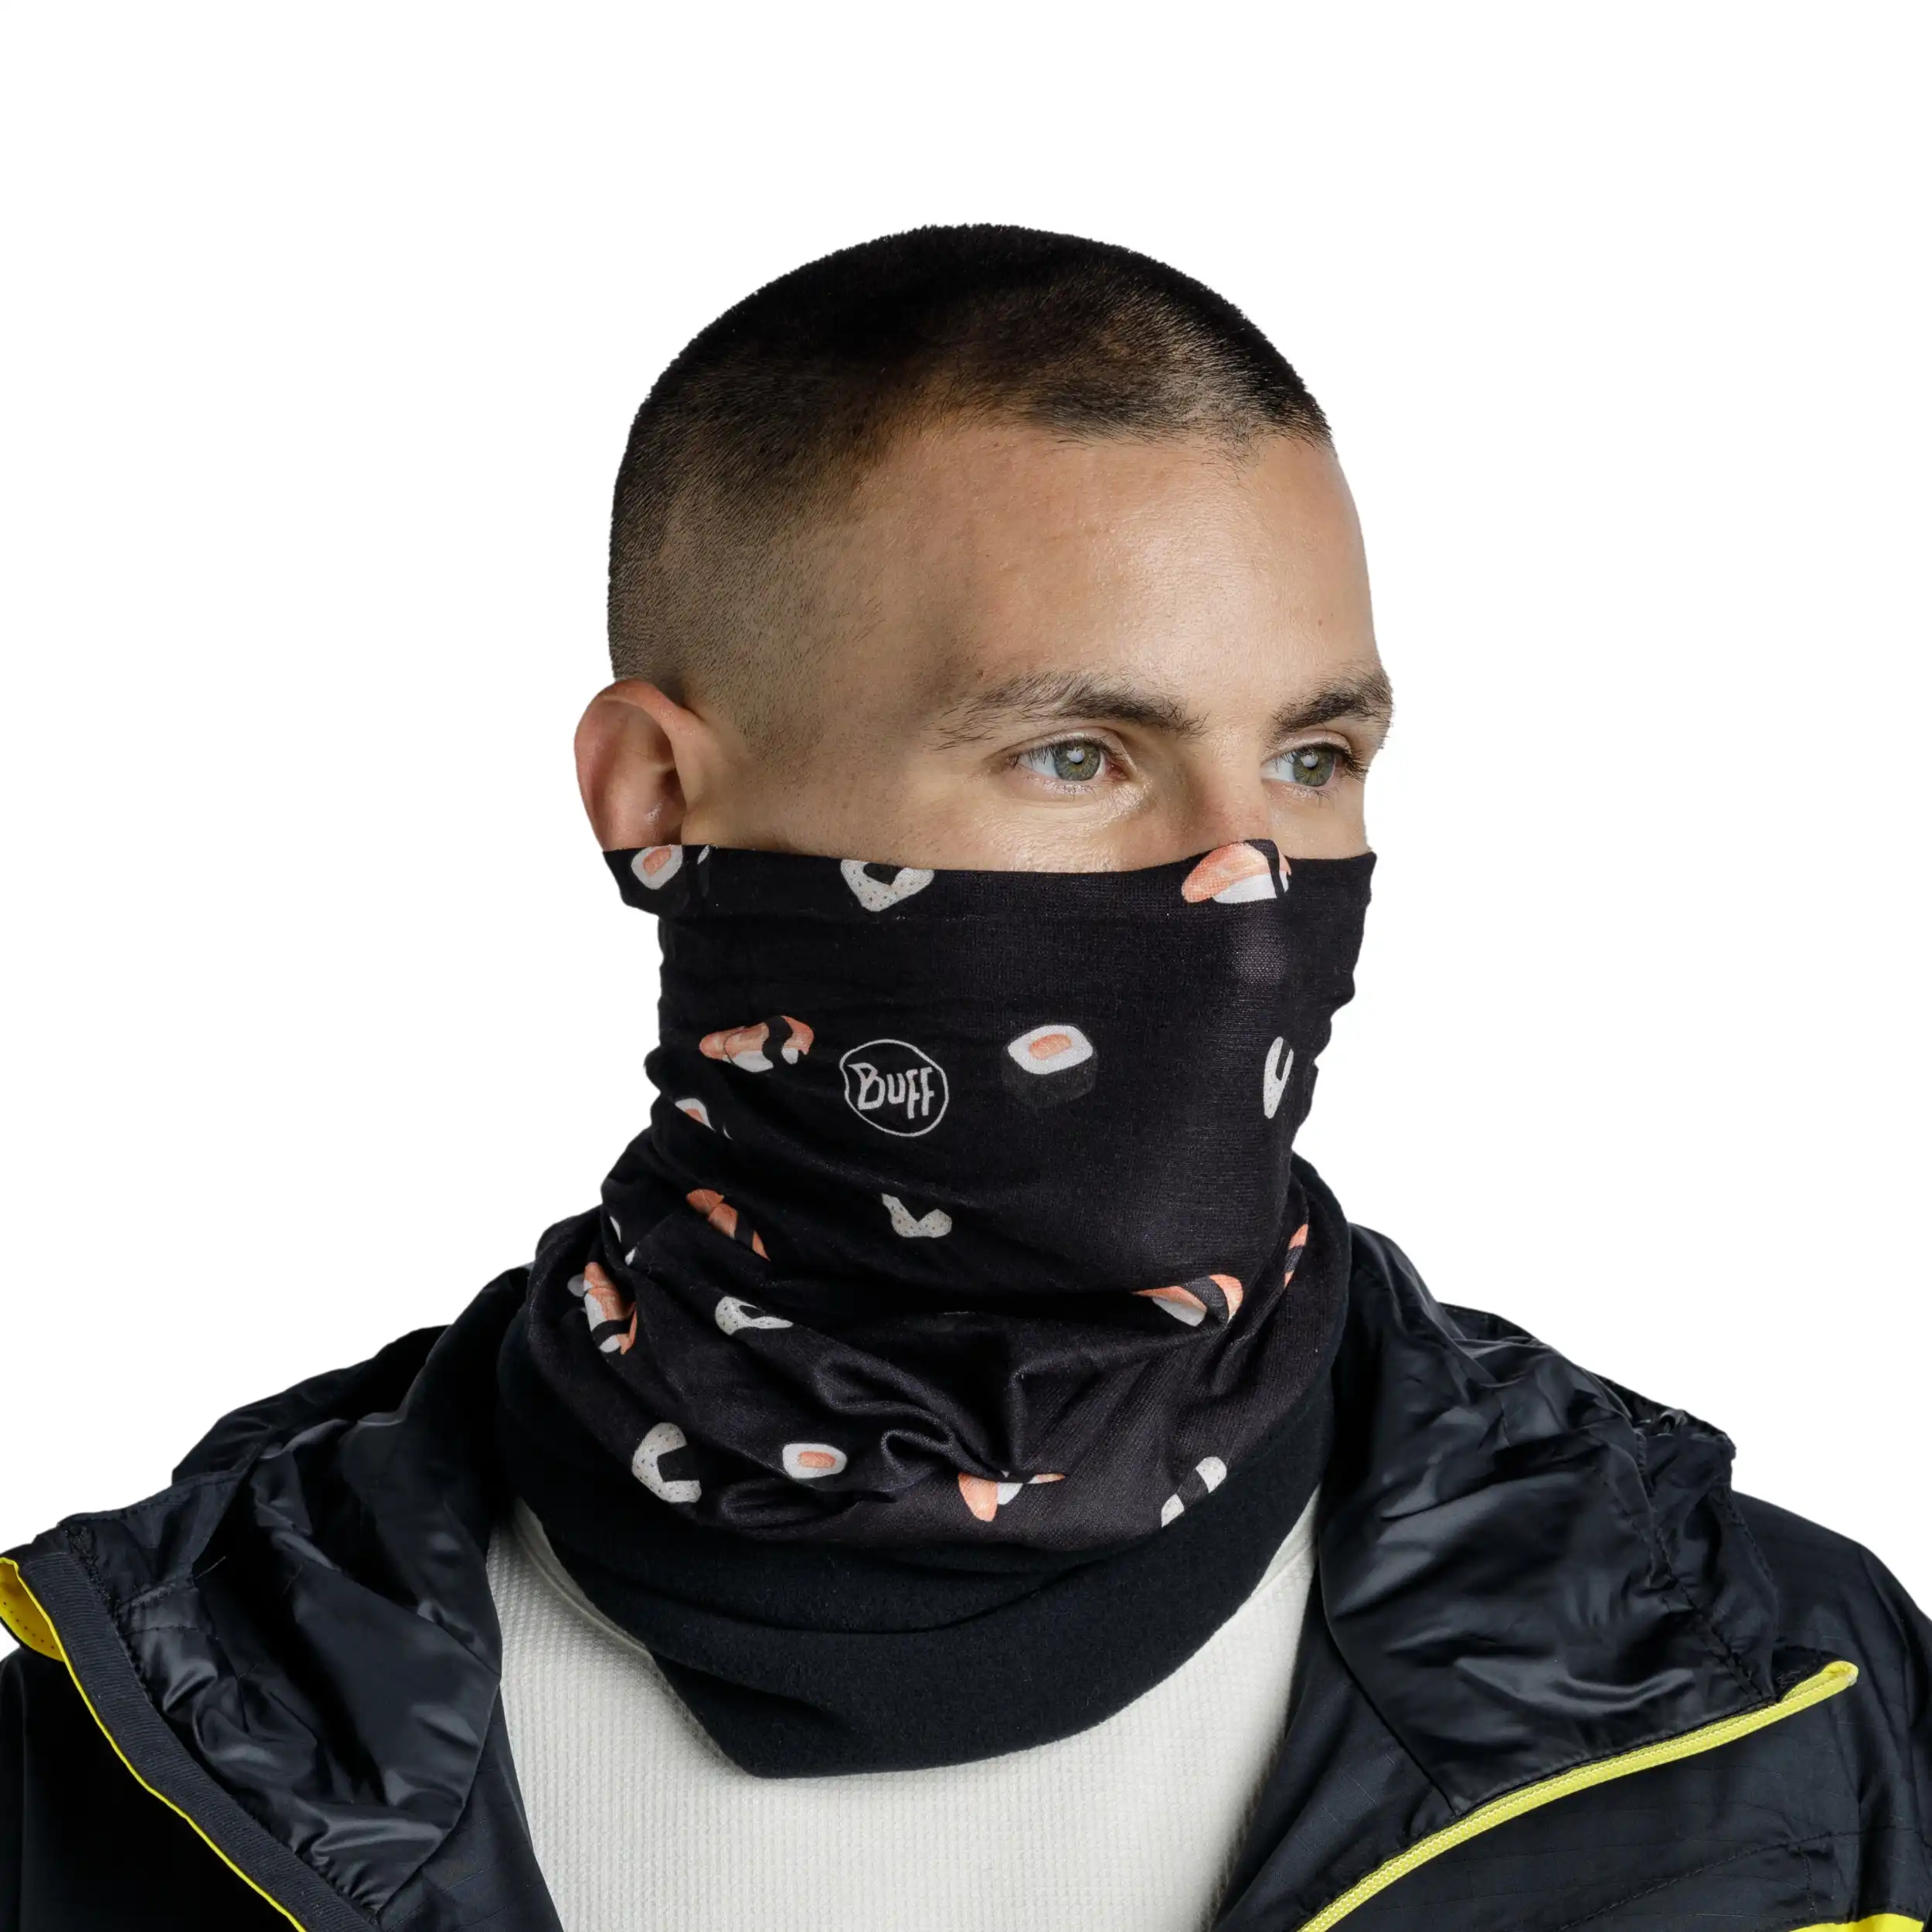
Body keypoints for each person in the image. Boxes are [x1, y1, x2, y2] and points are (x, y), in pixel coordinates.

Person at [2, 225, 1925, 1932]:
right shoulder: (152, 1736)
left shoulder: (1760, 1702)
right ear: (658, 795)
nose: (1244, 887)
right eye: (1077, 756)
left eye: (1312, 759)